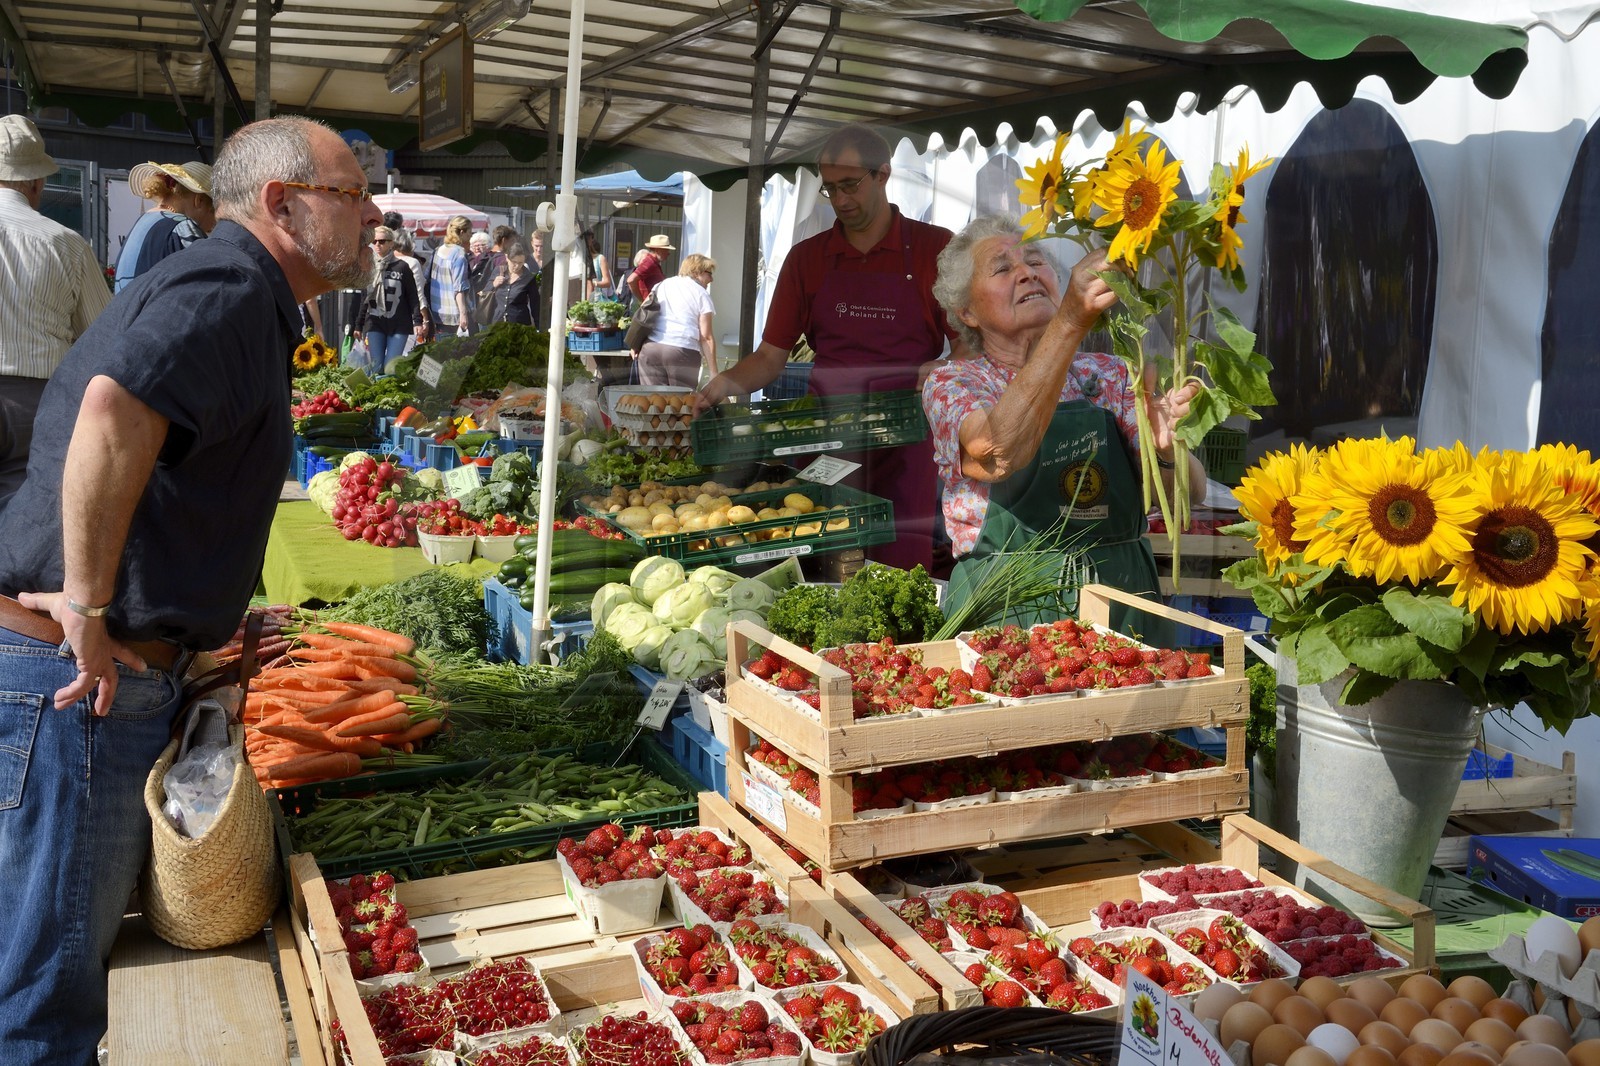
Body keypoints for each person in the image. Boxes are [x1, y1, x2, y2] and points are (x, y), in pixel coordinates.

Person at [0, 114, 380, 1064]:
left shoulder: (239, 291)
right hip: (76, 680)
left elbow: (167, 452)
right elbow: (112, 408)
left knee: (43, 980)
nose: (372, 214)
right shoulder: (228, 283)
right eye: (353, 193)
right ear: (283, 204)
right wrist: (88, 608)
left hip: (92, 669)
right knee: (43, 1003)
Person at [694, 124, 956, 573]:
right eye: (830, 189)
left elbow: (973, 344)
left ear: (883, 175)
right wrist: (722, 383)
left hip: (908, 435)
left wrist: (946, 366)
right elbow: (771, 357)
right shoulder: (807, 258)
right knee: (822, 554)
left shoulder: (937, 248)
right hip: (829, 434)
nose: (841, 200)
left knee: (900, 565)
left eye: (850, 185)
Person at [923, 214, 1205, 627]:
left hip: (1123, 597)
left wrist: (1164, 452)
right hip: (1009, 606)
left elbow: (1188, 496)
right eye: (1003, 268)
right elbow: (996, 452)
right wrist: (1071, 320)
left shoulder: (1107, 374)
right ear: (967, 312)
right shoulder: (955, 382)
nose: (1027, 274)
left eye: (1036, 262)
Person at [0, 116, 112, 514]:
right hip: (36, 401)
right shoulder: (66, 243)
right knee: (21, 518)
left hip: (37, 396)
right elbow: (105, 336)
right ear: (35, 182)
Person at [113, 160, 216, 291]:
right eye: (213, 211)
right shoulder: (183, 227)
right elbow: (207, 287)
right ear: (199, 201)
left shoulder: (143, 221)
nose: (215, 222)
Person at [635, 253, 717, 388]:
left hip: (651, 349)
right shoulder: (701, 294)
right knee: (681, 404)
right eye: (709, 273)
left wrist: (635, 344)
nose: (711, 279)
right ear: (697, 272)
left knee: (651, 402)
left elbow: (643, 315)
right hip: (681, 351)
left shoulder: (661, 285)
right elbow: (706, 337)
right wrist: (714, 372)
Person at [360, 226, 424, 372]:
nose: (377, 245)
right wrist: (358, 324)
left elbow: (413, 296)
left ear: (391, 243)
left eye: (382, 241)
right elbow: (364, 298)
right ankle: (376, 394)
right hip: (375, 322)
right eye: (374, 241)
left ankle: (388, 394)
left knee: (390, 367)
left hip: (399, 323)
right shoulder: (369, 266)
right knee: (376, 366)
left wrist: (418, 321)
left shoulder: (402, 267)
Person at [427, 215, 472, 338]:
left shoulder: (438, 250)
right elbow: (459, 288)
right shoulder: (459, 254)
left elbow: (428, 277)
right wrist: (463, 314)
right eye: (469, 232)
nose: (470, 236)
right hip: (454, 314)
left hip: (437, 311)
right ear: (462, 232)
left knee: (441, 353)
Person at [391, 226, 430, 345]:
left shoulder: (386, 261)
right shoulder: (412, 262)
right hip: (409, 318)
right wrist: (425, 320)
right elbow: (418, 294)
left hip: (384, 319)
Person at [493, 241, 541, 325]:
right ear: (507, 258)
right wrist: (493, 285)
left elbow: (535, 304)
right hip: (498, 322)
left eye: (520, 263)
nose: (517, 266)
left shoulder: (528, 278)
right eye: (514, 262)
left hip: (519, 324)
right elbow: (484, 292)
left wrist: (539, 327)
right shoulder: (498, 271)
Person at [627, 234, 672, 305]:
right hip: (650, 308)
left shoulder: (653, 262)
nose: (668, 253)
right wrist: (643, 300)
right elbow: (631, 280)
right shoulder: (649, 263)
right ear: (657, 250)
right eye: (666, 250)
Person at [467, 230, 497, 331]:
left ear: (488, 246)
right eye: (475, 245)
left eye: (482, 245)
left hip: (484, 299)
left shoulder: (491, 258)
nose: (478, 248)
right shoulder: (467, 259)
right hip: (470, 299)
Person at [583, 229, 614, 302]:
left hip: (596, 300)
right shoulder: (577, 259)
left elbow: (607, 282)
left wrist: (595, 283)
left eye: (589, 238)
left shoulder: (600, 259)